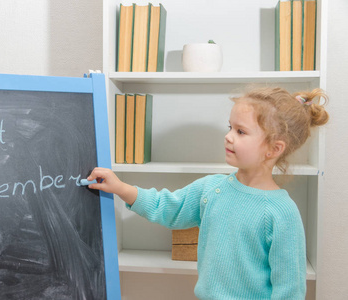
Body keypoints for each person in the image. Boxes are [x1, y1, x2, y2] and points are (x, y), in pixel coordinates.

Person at [87, 87, 329, 299]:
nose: (228, 136)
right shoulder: (211, 188)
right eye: (230, 127)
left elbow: (290, 290)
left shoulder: (282, 213)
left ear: (274, 149)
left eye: (241, 132)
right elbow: (167, 208)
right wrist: (120, 188)